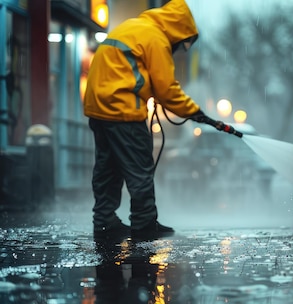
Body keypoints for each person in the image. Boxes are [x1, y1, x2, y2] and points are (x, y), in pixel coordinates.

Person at [84, 0, 233, 240]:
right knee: (139, 169)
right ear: (178, 30)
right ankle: (144, 225)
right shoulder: (156, 38)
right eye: (182, 45)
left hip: (98, 108)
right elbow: (166, 89)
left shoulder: (133, 27)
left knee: (107, 168)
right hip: (124, 110)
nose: (179, 50)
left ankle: (104, 221)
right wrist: (196, 113)